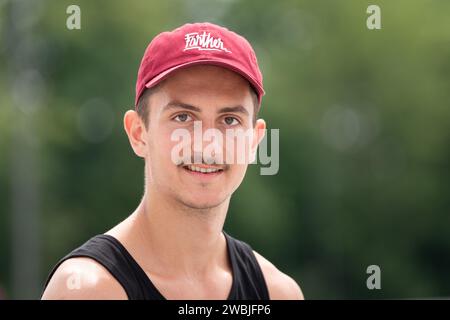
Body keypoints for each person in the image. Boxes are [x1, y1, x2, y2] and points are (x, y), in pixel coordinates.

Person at [42, 22, 304, 300]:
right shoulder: (88, 289)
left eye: (229, 120)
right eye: (183, 117)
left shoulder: (277, 293)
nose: (207, 143)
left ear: (254, 141)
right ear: (138, 133)